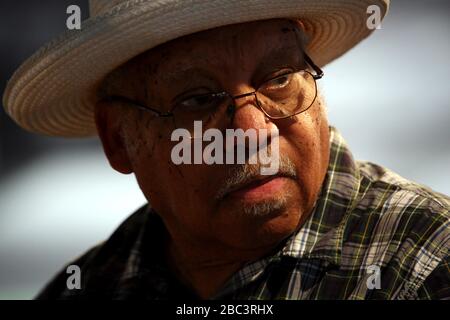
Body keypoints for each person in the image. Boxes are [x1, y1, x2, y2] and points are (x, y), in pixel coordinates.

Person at [3, 0, 449, 299]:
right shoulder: (89, 287)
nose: (252, 131)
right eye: (197, 100)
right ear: (118, 139)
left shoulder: (427, 262)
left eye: (278, 78)